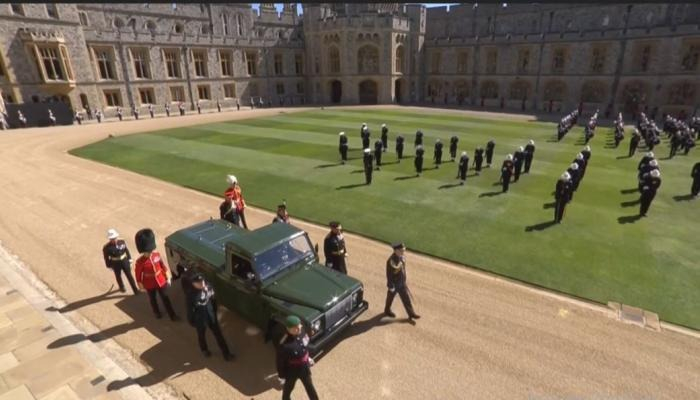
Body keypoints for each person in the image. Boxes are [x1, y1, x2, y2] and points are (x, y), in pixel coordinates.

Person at [134, 229, 178, 321]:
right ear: (143, 251)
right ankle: (156, 312)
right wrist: (140, 284)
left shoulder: (156, 255)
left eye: (150, 250)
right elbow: (138, 274)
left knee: (165, 298)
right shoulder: (140, 262)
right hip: (149, 283)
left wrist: (167, 276)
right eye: (147, 251)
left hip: (161, 280)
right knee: (152, 299)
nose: (149, 252)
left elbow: (163, 266)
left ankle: (172, 315)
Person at [188, 273, 234, 360]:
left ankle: (226, 354)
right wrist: (192, 321)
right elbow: (190, 309)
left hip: (210, 314)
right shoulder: (191, 295)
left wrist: (214, 310)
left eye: (202, 281)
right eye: (198, 283)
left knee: (218, 334)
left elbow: (213, 299)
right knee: (201, 335)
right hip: (200, 318)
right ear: (194, 284)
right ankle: (204, 349)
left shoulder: (209, 287)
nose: (201, 284)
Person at [276, 315, 319, 400]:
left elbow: (305, 344)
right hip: (292, 370)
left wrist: (308, 357)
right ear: (288, 329)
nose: (299, 328)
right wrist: (281, 375)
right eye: (296, 328)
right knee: (288, 389)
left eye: (299, 326)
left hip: (304, 368)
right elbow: (280, 361)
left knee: (310, 387)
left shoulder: (302, 332)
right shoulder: (284, 344)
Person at [384, 242, 420, 320]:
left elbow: (402, 270)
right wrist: (390, 285)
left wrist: (404, 279)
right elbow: (389, 275)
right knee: (390, 299)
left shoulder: (402, 257)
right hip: (394, 285)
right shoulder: (391, 261)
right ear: (396, 250)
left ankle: (411, 314)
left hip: (401, 283)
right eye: (401, 250)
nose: (403, 252)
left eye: (403, 250)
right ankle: (387, 310)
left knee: (406, 298)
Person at [102, 229, 139, 294]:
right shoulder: (106, 247)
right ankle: (122, 287)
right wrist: (109, 265)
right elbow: (106, 258)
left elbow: (126, 250)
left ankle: (135, 289)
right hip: (115, 263)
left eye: (115, 238)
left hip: (124, 261)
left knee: (129, 275)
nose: (114, 240)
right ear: (110, 239)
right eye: (112, 239)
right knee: (118, 276)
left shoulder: (122, 242)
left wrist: (129, 259)